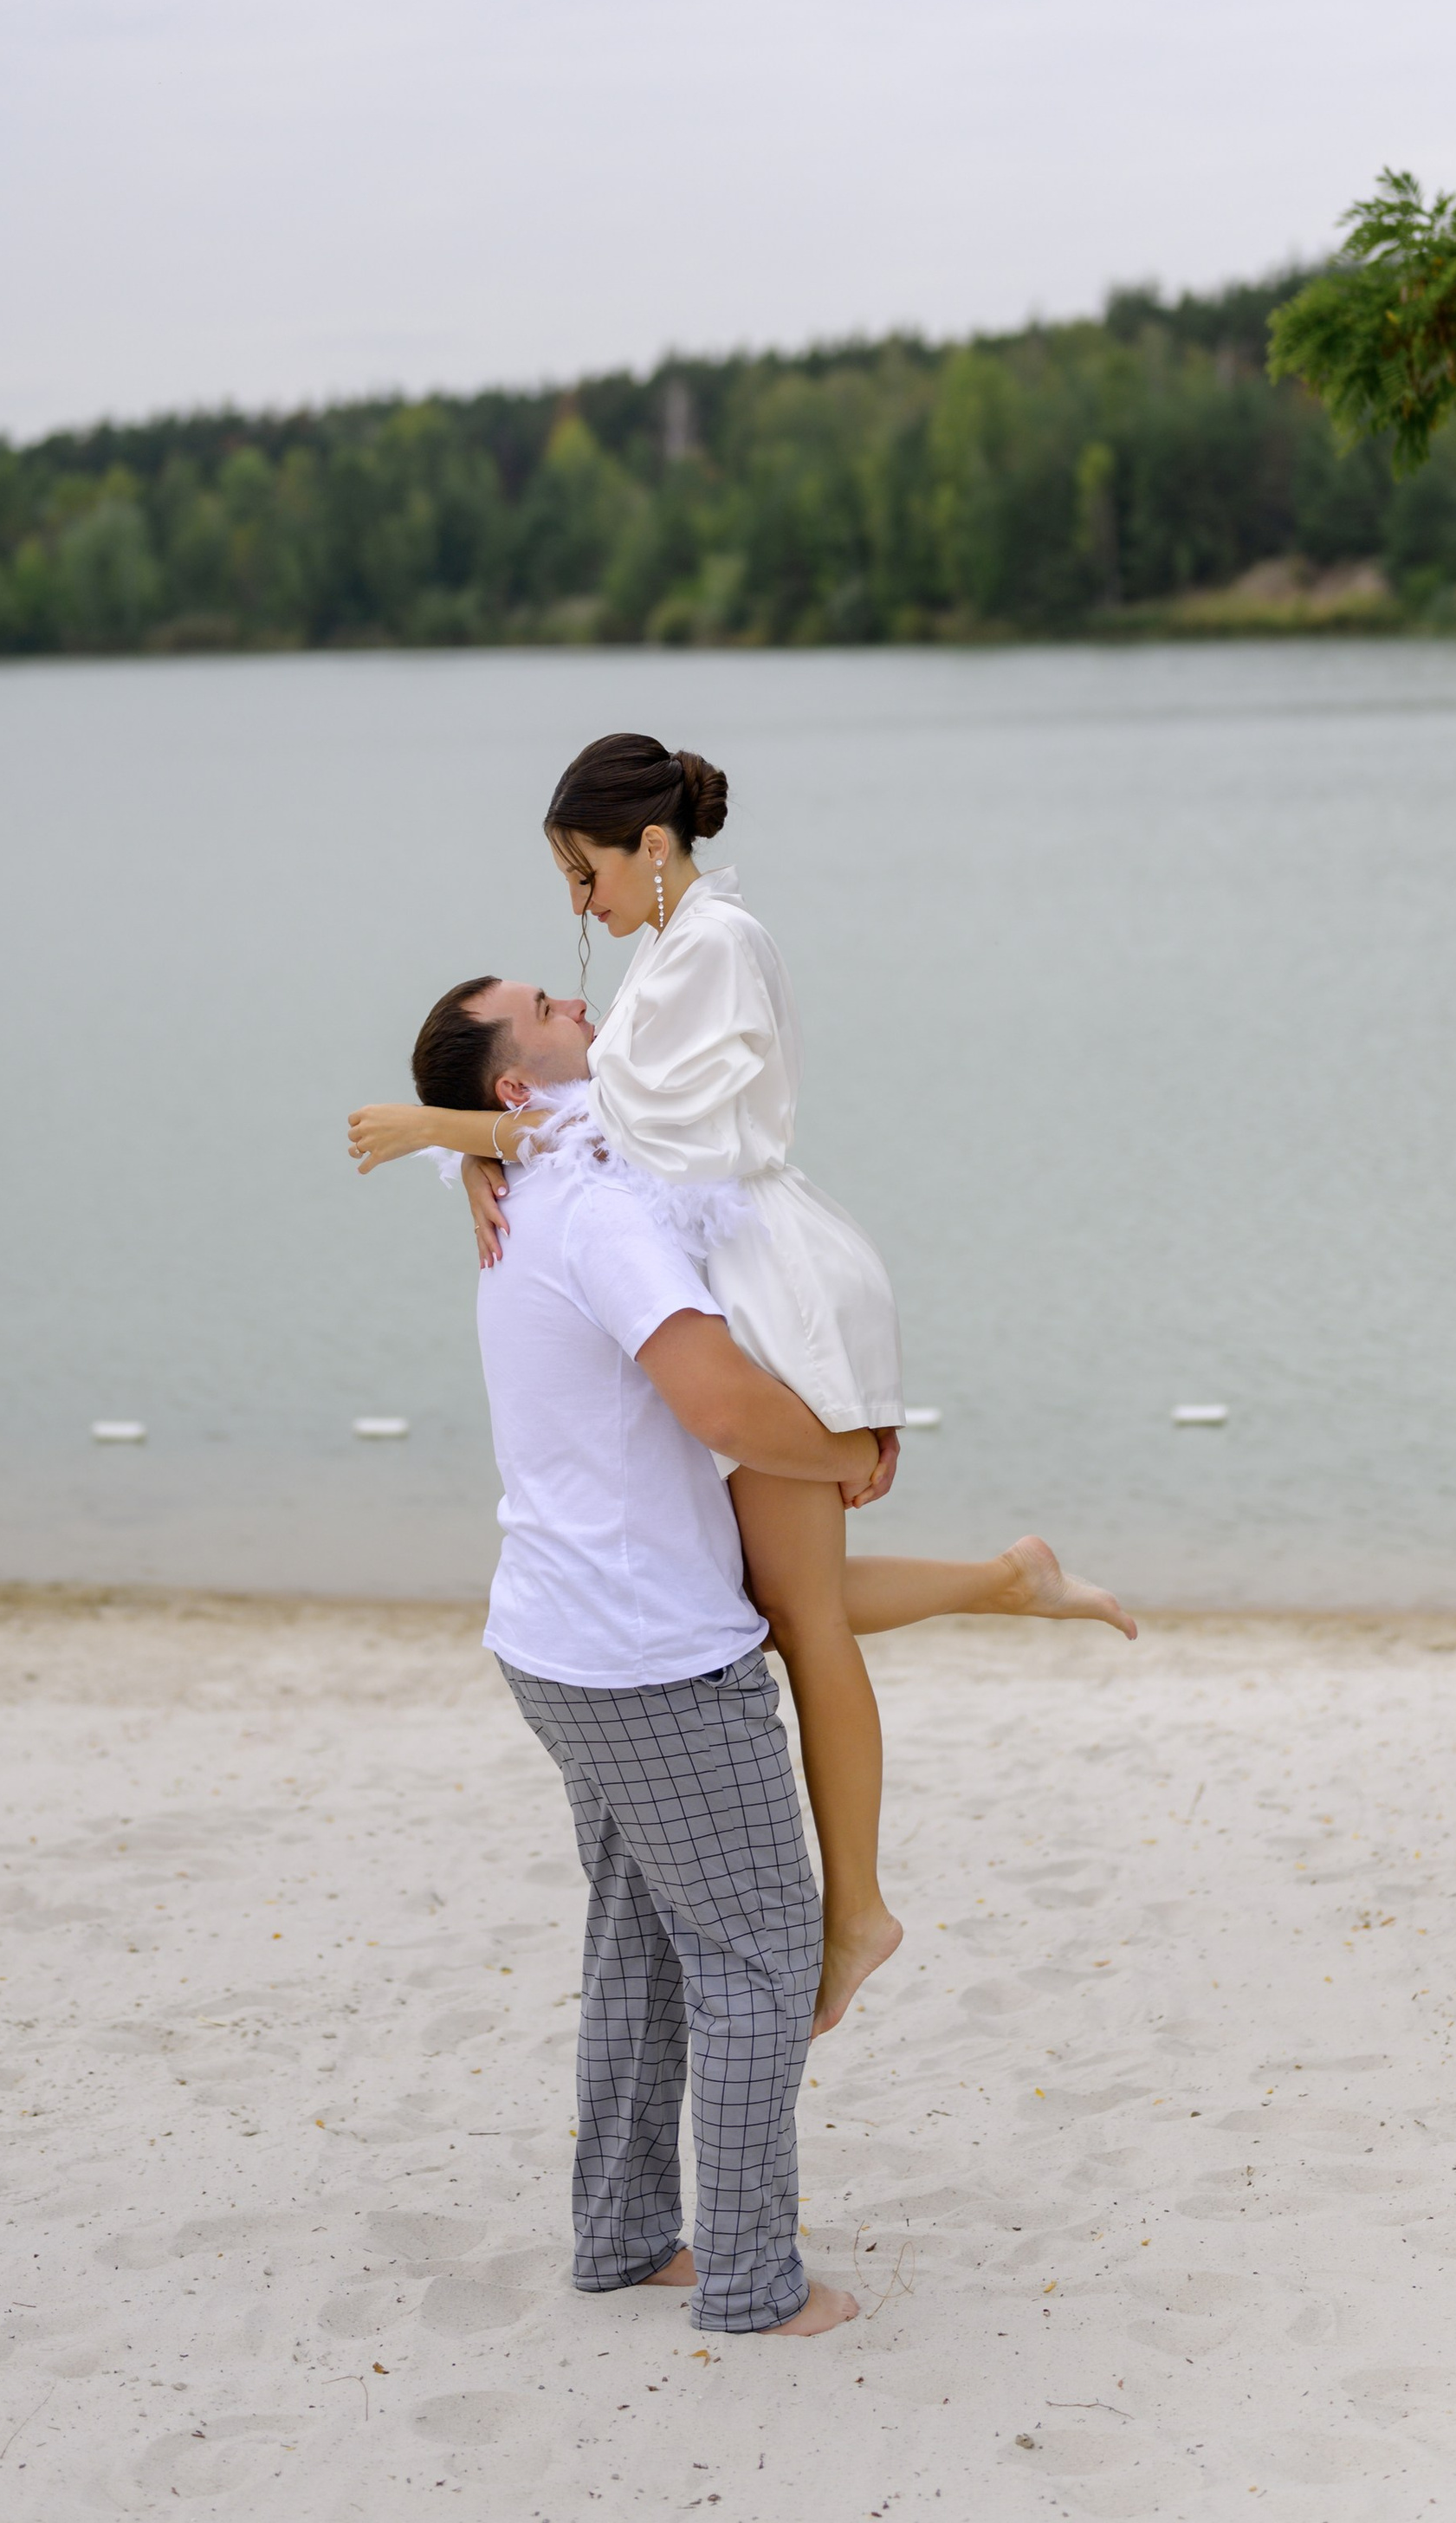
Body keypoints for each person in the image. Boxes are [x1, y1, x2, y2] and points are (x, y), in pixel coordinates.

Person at [351, 737, 1136, 2037]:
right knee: (772, 1598)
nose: (578, 903)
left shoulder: (715, 944)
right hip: (752, 1273)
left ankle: (859, 1910)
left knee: (802, 1617)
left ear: (650, 847)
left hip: (780, 1290)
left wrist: (455, 1132)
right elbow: (588, 1123)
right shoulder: (674, 947)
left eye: (585, 872)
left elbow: (622, 1131)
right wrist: (482, 1154)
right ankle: (1011, 1582)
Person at [430, 975, 901, 2337]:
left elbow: (505, 1131)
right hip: (649, 1658)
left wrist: (468, 1147)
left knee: (639, 1945)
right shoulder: (596, 1205)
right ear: (517, 1085)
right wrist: (846, 1444)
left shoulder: (531, 1180)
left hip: (557, 1639)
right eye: (543, 1007)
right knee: (759, 1958)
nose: (575, 997)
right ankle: (752, 2282)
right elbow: (718, 1402)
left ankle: (626, 2241)